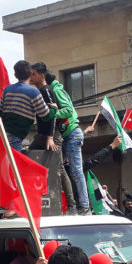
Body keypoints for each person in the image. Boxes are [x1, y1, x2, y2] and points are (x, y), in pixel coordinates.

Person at [0, 59, 51, 153]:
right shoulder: (33, 92)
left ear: (15, 75)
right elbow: (45, 115)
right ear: (30, 73)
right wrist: (55, 108)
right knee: (15, 164)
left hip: (5, 134)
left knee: (9, 162)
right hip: (16, 136)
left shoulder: (8, 89)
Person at [49, 67, 90, 216]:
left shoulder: (56, 91)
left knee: (76, 172)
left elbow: (68, 110)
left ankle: (84, 207)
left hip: (71, 135)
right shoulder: (56, 90)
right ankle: (73, 207)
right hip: (69, 135)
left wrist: (51, 114)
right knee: (58, 168)